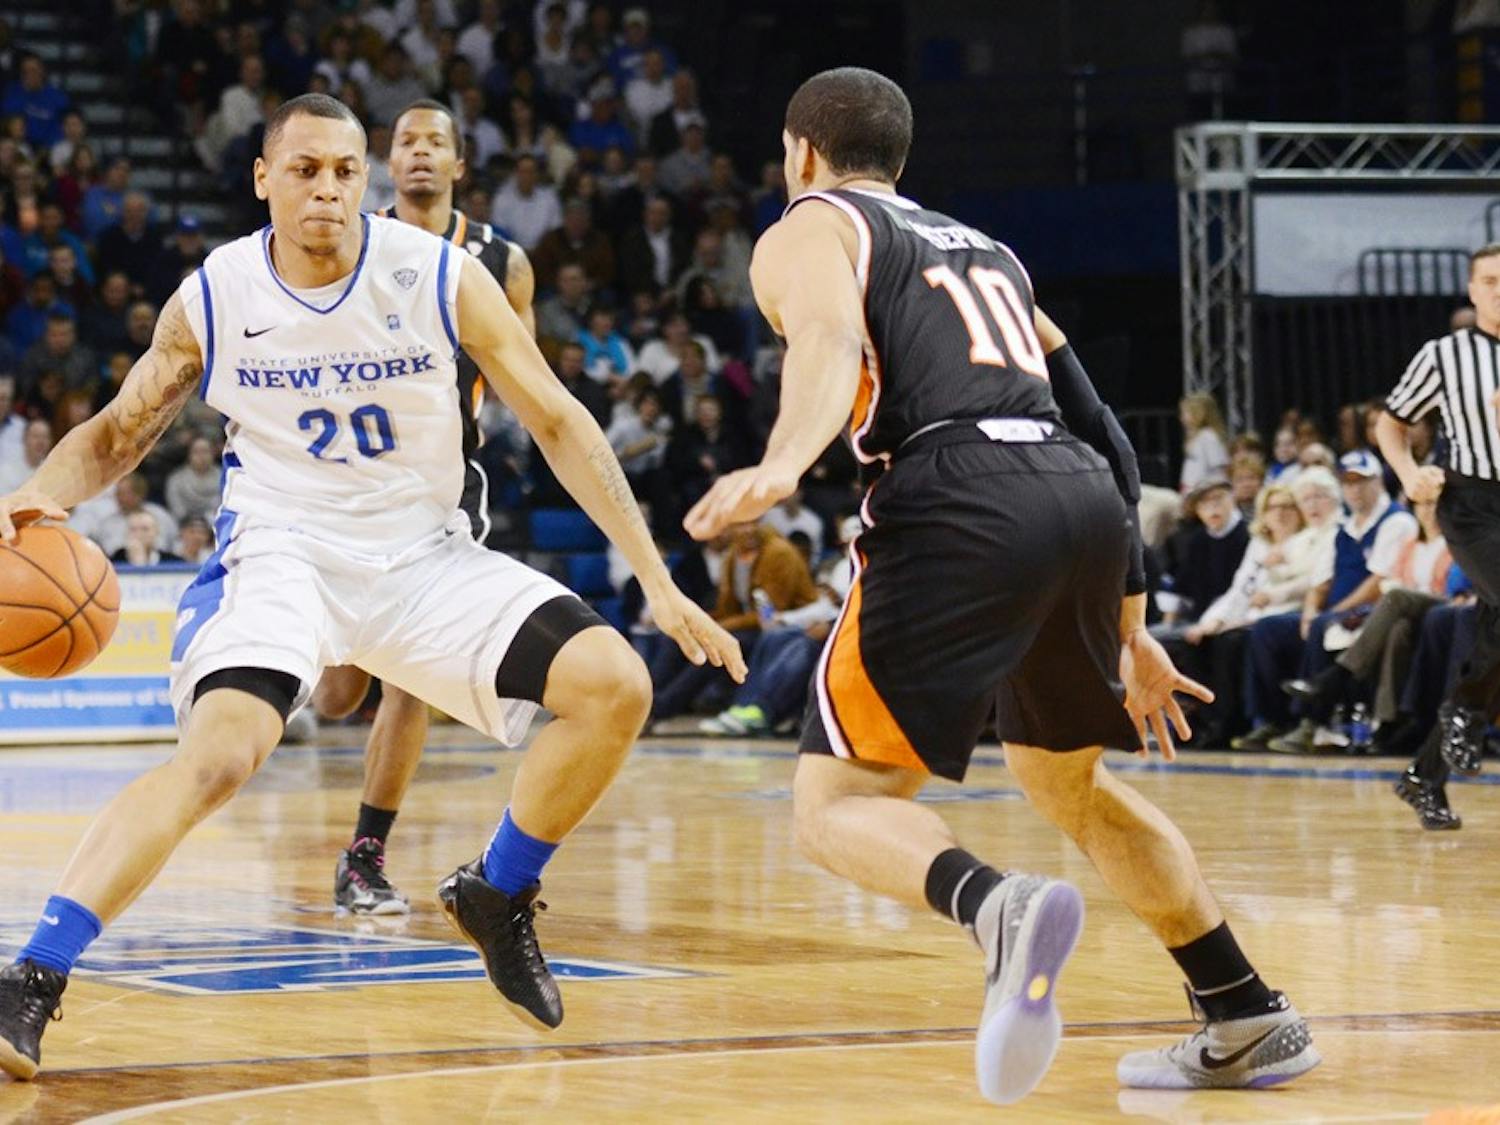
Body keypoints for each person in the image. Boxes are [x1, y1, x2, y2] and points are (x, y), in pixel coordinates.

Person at [0, 94, 742, 1080]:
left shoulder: (442, 276)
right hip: (280, 554)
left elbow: (560, 422)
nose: (327, 189)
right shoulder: (218, 294)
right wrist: (30, 503)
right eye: (304, 169)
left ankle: (498, 891)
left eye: (345, 170)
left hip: (424, 558)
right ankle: (34, 976)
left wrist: (656, 580)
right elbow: (115, 435)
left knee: (615, 685)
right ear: (264, 178)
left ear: (370, 180)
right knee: (222, 757)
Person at [682, 67, 1318, 1103]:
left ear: (801, 153)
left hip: (954, 489)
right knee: (1067, 781)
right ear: (902, 160)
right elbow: (1107, 433)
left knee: (833, 800)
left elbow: (835, 343)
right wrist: (1129, 625)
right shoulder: (989, 251)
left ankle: (993, 905)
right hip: (1074, 496)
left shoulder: (809, 227)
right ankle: (1245, 1010)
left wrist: (782, 464)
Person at [310, 98, 540, 915]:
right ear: (385, 161)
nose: (417, 154)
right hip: (348, 481)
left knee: (411, 679)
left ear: (458, 163)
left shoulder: (502, 262)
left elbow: (526, 372)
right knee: (339, 693)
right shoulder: (349, 243)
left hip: (444, 486)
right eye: (404, 142)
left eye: (433, 142)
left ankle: (364, 855)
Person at [1378, 242, 1500, 826]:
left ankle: (1425, 774)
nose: (1499, 289)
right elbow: (1392, 422)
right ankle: (1465, 717)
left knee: (1497, 626)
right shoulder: (1445, 355)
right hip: (1471, 502)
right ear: (1472, 290)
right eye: (1490, 280)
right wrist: (1409, 475)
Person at [1178, 392, 1230, 494]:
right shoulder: (1196, 437)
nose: (1182, 418)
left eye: (1185, 413)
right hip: (1191, 490)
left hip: (1203, 492)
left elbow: (1218, 470)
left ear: (1198, 413)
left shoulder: (1209, 437)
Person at [109, 509, 183, 566]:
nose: (139, 534)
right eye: (133, 530)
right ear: (126, 533)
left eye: (145, 529)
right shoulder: (114, 561)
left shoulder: (172, 561)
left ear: (156, 532)